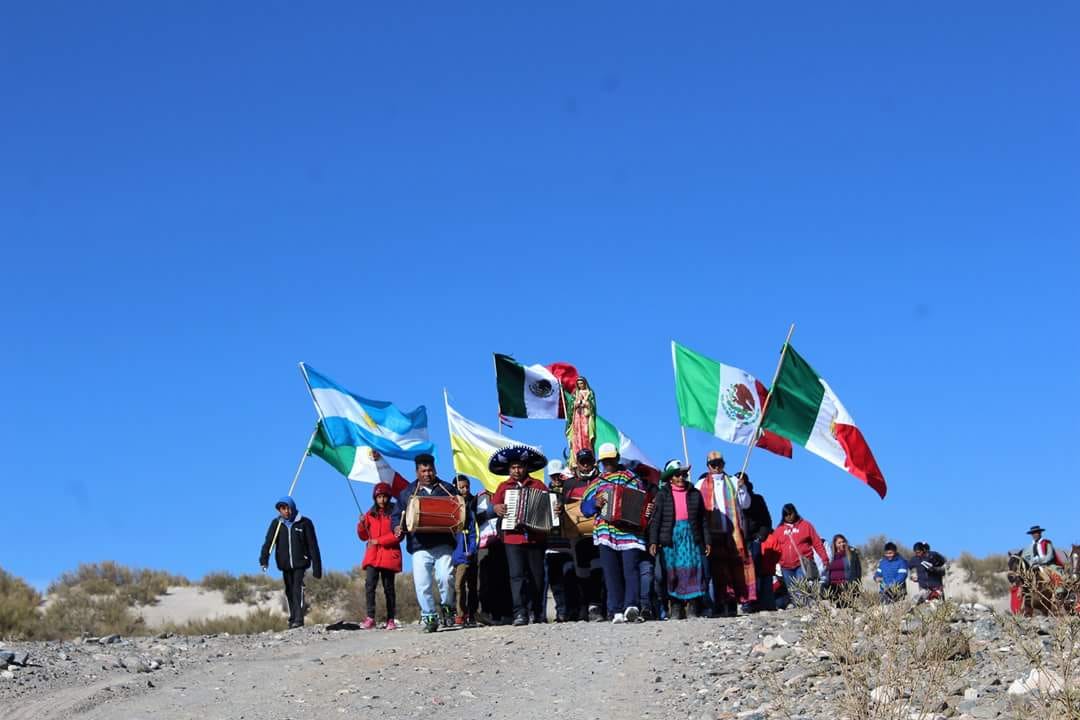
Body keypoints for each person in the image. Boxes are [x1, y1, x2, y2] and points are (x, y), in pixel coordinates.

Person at [580, 443, 650, 624]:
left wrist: (647, 510)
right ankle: (616, 610)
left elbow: (643, 503)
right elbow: (584, 508)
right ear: (600, 462)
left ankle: (631, 606)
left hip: (629, 533)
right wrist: (594, 504)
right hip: (606, 533)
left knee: (630, 569)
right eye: (605, 461)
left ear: (617, 458)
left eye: (611, 460)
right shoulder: (597, 483)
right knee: (611, 572)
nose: (608, 464)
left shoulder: (632, 479)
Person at [392, 453, 459, 633]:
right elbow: (397, 516)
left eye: (430, 470)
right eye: (423, 471)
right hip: (419, 545)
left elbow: (460, 507)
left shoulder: (447, 489)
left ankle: (448, 608)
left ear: (435, 469)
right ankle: (429, 616)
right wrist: (397, 528)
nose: (427, 474)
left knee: (446, 577)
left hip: (443, 543)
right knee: (422, 583)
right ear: (417, 472)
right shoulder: (407, 493)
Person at [490, 445, 551, 626]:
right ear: (509, 469)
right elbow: (494, 506)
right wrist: (497, 508)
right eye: (513, 467)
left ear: (526, 468)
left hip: (535, 538)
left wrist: (555, 509)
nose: (517, 470)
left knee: (537, 576)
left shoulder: (539, 486)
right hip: (512, 538)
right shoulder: (503, 487)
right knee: (516, 576)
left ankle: (538, 612)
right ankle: (519, 613)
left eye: (520, 467)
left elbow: (549, 509)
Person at [648, 459, 710, 619]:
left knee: (693, 570)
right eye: (677, 475)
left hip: (691, 537)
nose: (681, 477)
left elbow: (703, 520)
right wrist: (653, 541)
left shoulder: (695, 493)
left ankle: (693, 606)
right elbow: (656, 520)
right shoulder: (662, 495)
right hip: (671, 538)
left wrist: (707, 540)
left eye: (683, 474)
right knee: (673, 572)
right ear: (670, 478)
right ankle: (675, 606)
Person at [695, 451, 754, 617]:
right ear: (708, 466)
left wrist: (742, 488)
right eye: (713, 464)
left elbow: (746, 504)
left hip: (732, 534)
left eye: (719, 463)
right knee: (716, 571)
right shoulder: (700, 484)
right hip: (712, 534)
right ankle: (718, 604)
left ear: (723, 463)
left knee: (734, 569)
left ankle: (733, 604)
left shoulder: (733, 482)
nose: (716, 466)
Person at [259, 496, 322, 629]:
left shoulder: (305, 523)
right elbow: (268, 542)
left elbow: (313, 546)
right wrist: (264, 560)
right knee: (289, 590)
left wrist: (317, 568)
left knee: (297, 588)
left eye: (288, 508)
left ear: (293, 508)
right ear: (279, 510)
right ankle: (293, 617)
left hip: (301, 563)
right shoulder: (276, 524)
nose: (286, 511)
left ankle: (299, 619)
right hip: (285, 564)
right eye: (283, 508)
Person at [563, 449, 605, 621]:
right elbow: (563, 507)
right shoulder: (569, 484)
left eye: (588, 461)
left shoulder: (601, 480)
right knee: (581, 572)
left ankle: (597, 606)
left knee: (598, 570)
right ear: (577, 463)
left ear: (594, 462)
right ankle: (582, 608)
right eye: (582, 461)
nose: (585, 464)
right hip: (578, 535)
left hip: (599, 532)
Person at [763, 503, 828, 607]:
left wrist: (824, 558)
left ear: (795, 512)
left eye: (790, 513)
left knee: (801, 586)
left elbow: (817, 543)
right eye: (786, 514)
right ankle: (800, 608)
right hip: (785, 566)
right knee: (792, 589)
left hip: (802, 563)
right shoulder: (779, 530)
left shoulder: (806, 525)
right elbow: (774, 547)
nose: (789, 516)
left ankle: (806, 607)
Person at [356, 483, 401, 630]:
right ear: (375, 498)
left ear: (389, 497)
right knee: (370, 585)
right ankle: (370, 618)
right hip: (373, 556)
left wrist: (379, 541)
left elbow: (398, 535)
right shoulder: (370, 513)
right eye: (379, 497)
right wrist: (362, 524)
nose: (382, 500)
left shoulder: (395, 512)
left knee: (389, 588)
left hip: (388, 555)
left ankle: (390, 619)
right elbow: (363, 536)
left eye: (384, 496)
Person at [545, 460, 580, 622]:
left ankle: (573, 611)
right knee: (556, 582)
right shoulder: (544, 495)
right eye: (553, 476)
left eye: (559, 476)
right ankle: (561, 612)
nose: (556, 479)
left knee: (570, 580)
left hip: (568, 546)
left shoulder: (570, 494)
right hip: (550, 546)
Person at [475, 486, 513, 625]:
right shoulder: (480, 496)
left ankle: (506, 614)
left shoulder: (506, 490)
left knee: (504, 578)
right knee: (485, 580)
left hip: (504, 539)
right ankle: (487, 613)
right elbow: (474, 517)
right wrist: (491, 511)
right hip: (485, 542)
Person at [739, 473, 774, 612]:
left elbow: (766, 521)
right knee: (740, 573)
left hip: (753, 540)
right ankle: (744, 601)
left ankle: (755, 601)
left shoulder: (757, 499)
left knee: (755, 572)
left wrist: (760, 537)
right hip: (737, 540)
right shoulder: (732, 499)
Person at [452, 474, 480, 627]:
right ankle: (460, 614)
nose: (464, 489)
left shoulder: (471, 508)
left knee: (472, 586)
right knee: (458, 585)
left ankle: (472, 614)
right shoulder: (451, 508)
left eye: (467, 486)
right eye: (461, 487)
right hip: (456, 554)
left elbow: (474, 532)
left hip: (469, 554)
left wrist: (472, 549)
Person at [820, 534, 862, 606]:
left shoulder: (852, 555)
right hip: (832, 588)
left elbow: (858, 571)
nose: (842, 544)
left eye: (843, 542)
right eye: (839, 543)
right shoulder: (830, 555)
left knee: (846, 608)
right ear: (835, 544)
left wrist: (855, 585)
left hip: (846, 587)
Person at [565, 377, 596, 463]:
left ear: (585, 383)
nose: (580, 385)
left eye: (581, 383)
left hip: (586, 418)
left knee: (586, 434)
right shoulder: (575, 394)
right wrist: (576, 404)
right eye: (578, 384)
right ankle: (575, 457)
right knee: (577, 436)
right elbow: (571, 407)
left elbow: (592, 406)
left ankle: (588, 452)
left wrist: (586, 404)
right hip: (577, 417)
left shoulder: (590, 393)